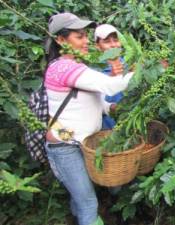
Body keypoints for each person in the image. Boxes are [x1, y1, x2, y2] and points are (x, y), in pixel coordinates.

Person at [44, 13, 133, 225]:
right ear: (61, 40)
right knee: (88, 204)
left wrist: (111, 107)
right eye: (79, 37)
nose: (86, 41)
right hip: (65, 147)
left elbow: (94, 99)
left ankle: (75, 218)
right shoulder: (62, 67)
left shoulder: (78, 65)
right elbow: (111, 86)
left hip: (81, 142)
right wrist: (149, 69)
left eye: (86, 36)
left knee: (82, 195)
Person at [94, 24, 126, 130]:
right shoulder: (94, 71)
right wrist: (111, 78)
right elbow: (95, 102)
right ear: (98, 46)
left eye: (116, 40)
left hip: (132, 126)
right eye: (107, 41)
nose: (113, 45)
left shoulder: (131, 64)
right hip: (107, 130)